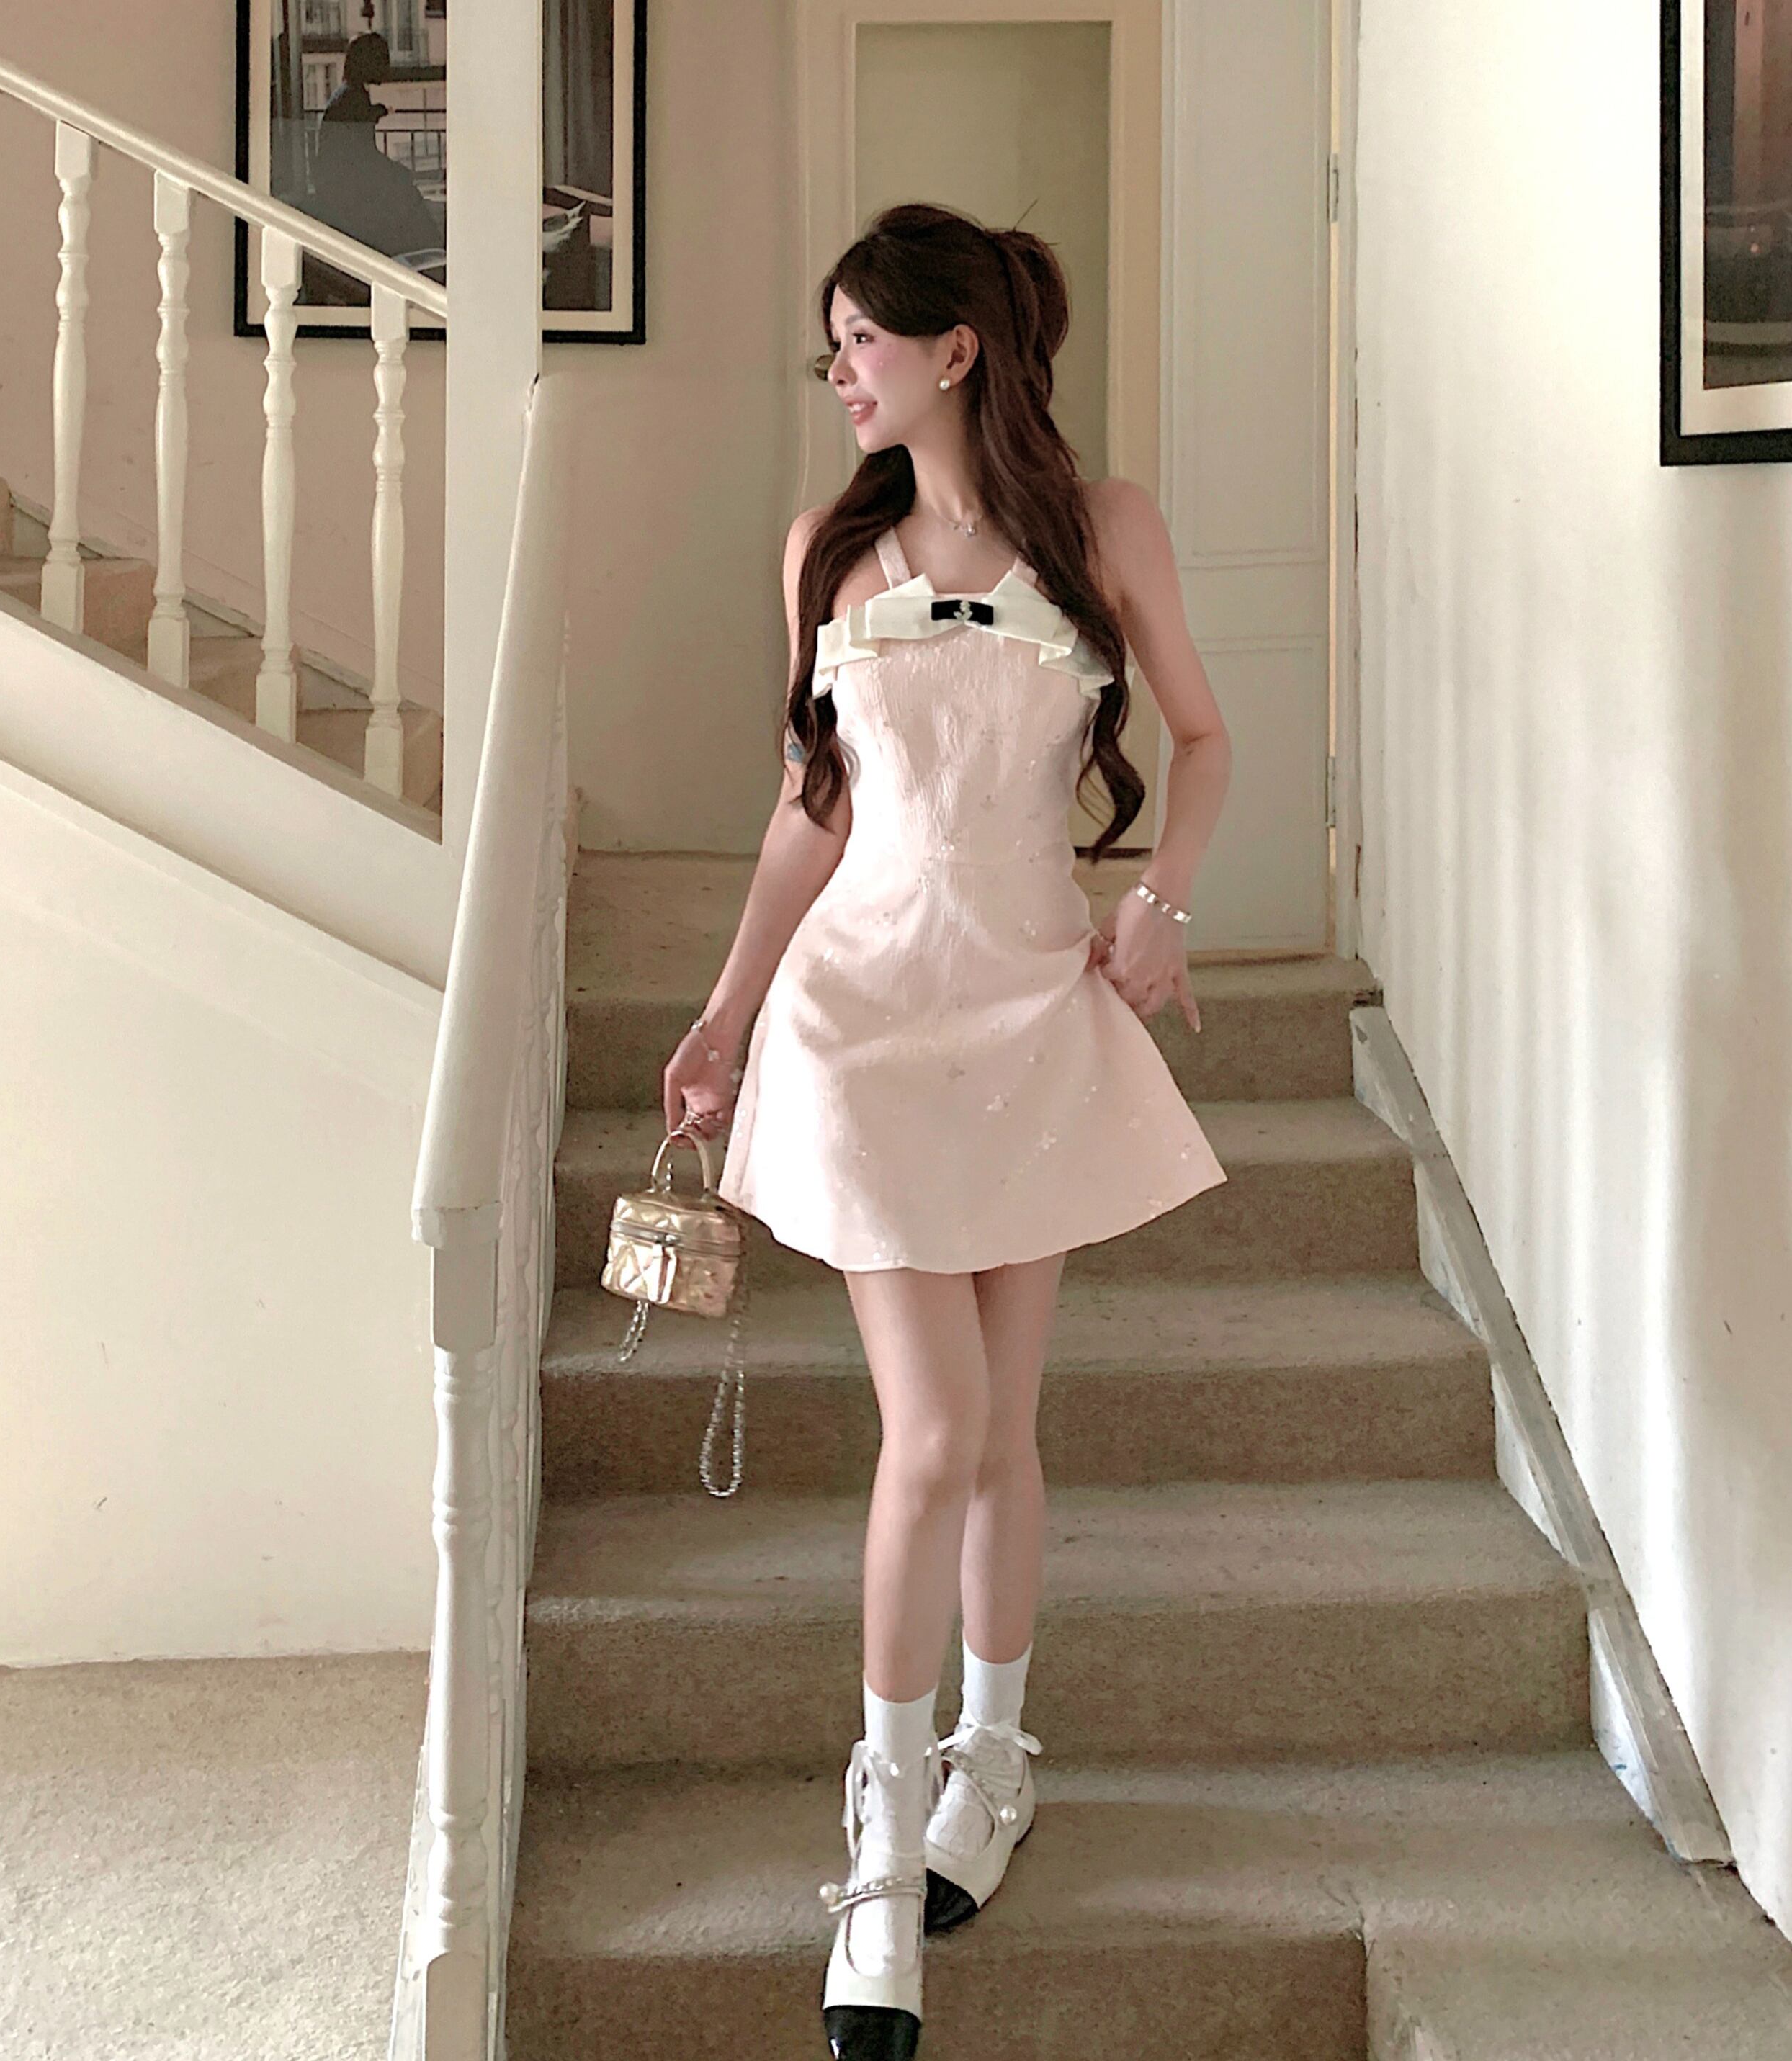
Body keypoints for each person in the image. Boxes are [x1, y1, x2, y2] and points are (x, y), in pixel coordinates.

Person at [658, 202, 1232, 2060]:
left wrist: (1160, 906)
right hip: (861, 1020)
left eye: (861, 340)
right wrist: (726, 1012)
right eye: (831, 344)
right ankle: (882, 1851)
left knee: (1004, 1435)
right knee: (937, 1430)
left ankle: (993, 1760)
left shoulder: (1104, 530)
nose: (837, 370)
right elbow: (808, 810)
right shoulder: (826, 553)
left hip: (1031, 1007)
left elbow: (1204, 740)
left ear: (953, 347)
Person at [311, 31, 443, 263]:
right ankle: (428, 251)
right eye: (382, 59)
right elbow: (361, 154)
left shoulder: (349, 94)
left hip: (338, 180)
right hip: (346, 184)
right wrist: (395, 172)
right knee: (404, 192)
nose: (387, 66)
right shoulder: (354, 97)